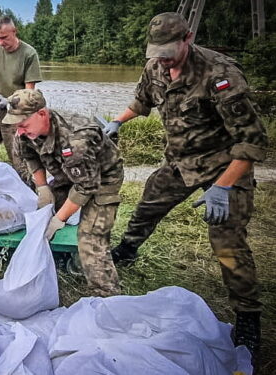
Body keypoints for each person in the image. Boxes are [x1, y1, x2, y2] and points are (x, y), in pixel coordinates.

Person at [106, 13, 268, 363]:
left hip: (225, 168)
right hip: (180, 163)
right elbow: (142, 101)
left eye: (168, 50)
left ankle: (248, 317)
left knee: (227, 243)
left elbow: (253, 143)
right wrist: (117, 121)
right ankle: (128, 250)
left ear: (188, 37)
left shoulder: (221, 75)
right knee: (148, 203)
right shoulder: (155, 68)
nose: (162, 58)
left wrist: (223, 187)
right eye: (156, 51)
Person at [7, 88, 123, 297]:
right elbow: (31, 157)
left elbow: (86, 186)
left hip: (103, 178)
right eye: (17, 125)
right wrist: (43, 188)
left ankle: (107, 295)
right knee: (42, 215)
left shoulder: (76, 138)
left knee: (91, 236)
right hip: (66, 173)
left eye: (23, 125)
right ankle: (55, 262)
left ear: (42, 114)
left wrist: (60, 219)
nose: (20, 131)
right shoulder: (25, 131)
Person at [0, 16, 42, 183]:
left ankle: (29, 189)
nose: (0, 42)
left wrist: (11, 101)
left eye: (4, 37)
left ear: (14, 32)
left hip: (18, 111)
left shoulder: (29, 54)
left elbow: (29, 92)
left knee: (17, 156)